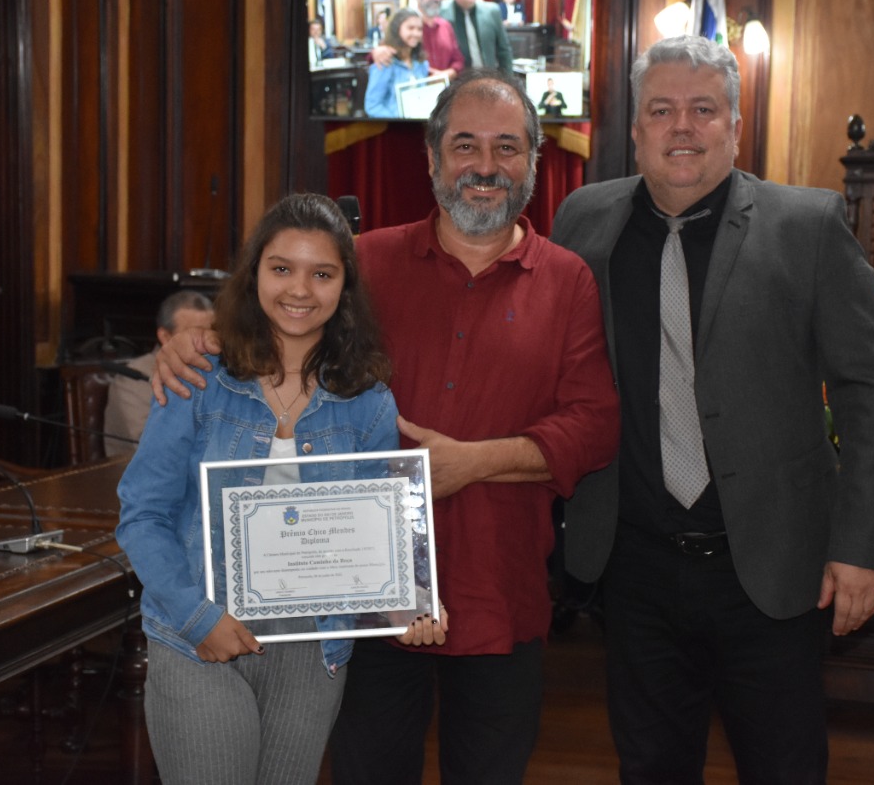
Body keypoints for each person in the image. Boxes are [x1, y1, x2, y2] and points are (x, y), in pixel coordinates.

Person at [153, 70, 620, 785]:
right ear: (431, 157)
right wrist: (198, 340)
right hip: (357, 599)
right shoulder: (364, 262)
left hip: (499, 591)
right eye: (465, 145)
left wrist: (475, 462)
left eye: (506, 147)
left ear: (533, 160)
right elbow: (276, 322)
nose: (486, 166)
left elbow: (594, 426)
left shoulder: (569, 281)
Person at [549, 35, 874, 784]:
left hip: (773, 569)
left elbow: (869, 391)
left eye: (703, 109)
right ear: (635, 129)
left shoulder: (807, 226)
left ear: (736, 126)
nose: (682, 126)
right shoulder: (584, 221)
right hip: (635, 568)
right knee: (650, 768)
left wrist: (863, 545)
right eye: (661, 110)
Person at [116, 194, 446, 785]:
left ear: (344, 287)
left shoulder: (369, 402)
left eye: (322, 274)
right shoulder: (198, 379)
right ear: (255, 275)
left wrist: (416, 602)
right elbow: (142, 515)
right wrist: (196, 618)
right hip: (199, 636)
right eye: (282, 268)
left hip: (313, 649)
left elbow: (385, 539)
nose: (300, 289)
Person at [104, 289, 213, 457]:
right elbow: (152, 448)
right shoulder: (133, 378)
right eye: (195, 334)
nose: (206, 343)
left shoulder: (214, 370)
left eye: (212, 332)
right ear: (165, 336)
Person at [369, 0, 464, 82]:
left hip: (447, 87)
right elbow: (379, 55)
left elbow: (458, 60)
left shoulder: (446, 26)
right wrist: (376, 52)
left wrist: (447, 74)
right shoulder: (405, 26)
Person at [442, 0, 514, 74]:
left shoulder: (492, 11)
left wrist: (508, 80)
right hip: (457, 80)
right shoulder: (442, 13)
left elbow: (504, 51)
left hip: (488, 78)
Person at [363, 8, 429, 119]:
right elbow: (372, 106)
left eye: (419, 29)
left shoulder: (421, 63)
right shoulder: (385, 61)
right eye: (410, 28)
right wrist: (399, 122)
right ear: (397, 29)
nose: (416, 33)